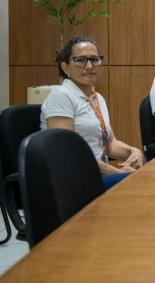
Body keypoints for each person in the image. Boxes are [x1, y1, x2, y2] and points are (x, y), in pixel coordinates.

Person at [41, 36, 144, 189]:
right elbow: (66, 153)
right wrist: (116, 172)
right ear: (65, 67)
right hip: (72, 180)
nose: (89, 66)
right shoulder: (61, 95)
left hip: (96, 174)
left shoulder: (97, 98)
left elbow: (110, 144)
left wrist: (133, 151)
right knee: (140, 183)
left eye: (94, 59)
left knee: (149, 174)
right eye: (81, 60)